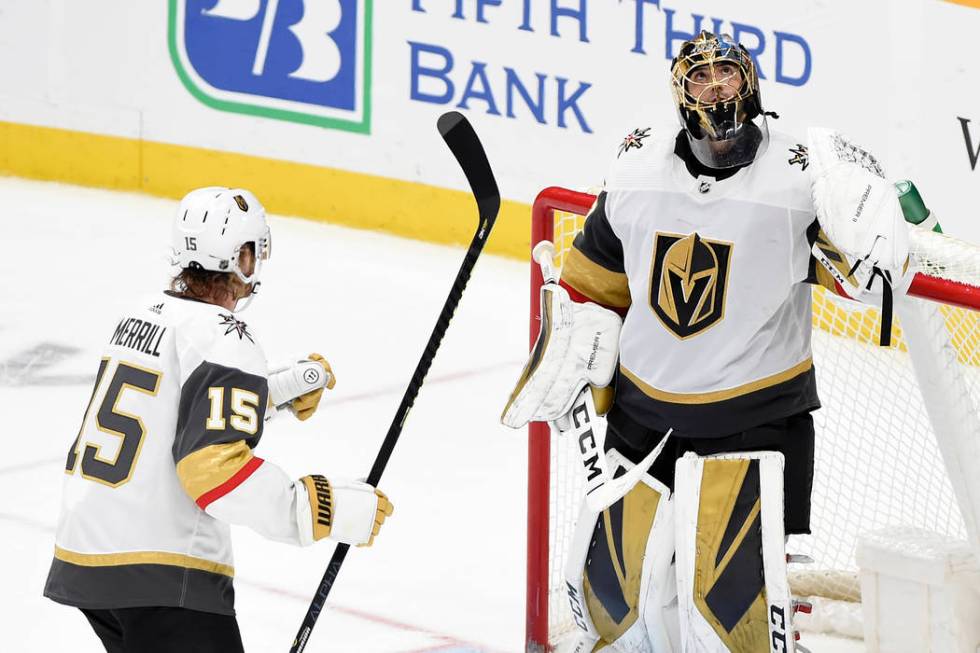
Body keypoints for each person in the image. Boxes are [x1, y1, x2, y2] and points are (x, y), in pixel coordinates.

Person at [503, 31, 915, 652]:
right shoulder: (638, 167)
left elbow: (866, 279)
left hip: (755, 425)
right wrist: (573, 332)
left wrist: (879, 218)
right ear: (681, 93)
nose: (716, 87)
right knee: (615, 610)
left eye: (728, 74)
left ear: (751, 85)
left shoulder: (801, 178)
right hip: (643, 421)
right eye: (702, 78)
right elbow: (597, 276)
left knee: (734, 625)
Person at [44, 187, 393, 653]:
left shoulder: (141, 314)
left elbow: (168, 408)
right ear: (241, 258)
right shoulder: (226, 338)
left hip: (88, 559)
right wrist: (314, 508)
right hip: (163, 577)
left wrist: (270, 391)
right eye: (253, 253)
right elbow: (213, 471)